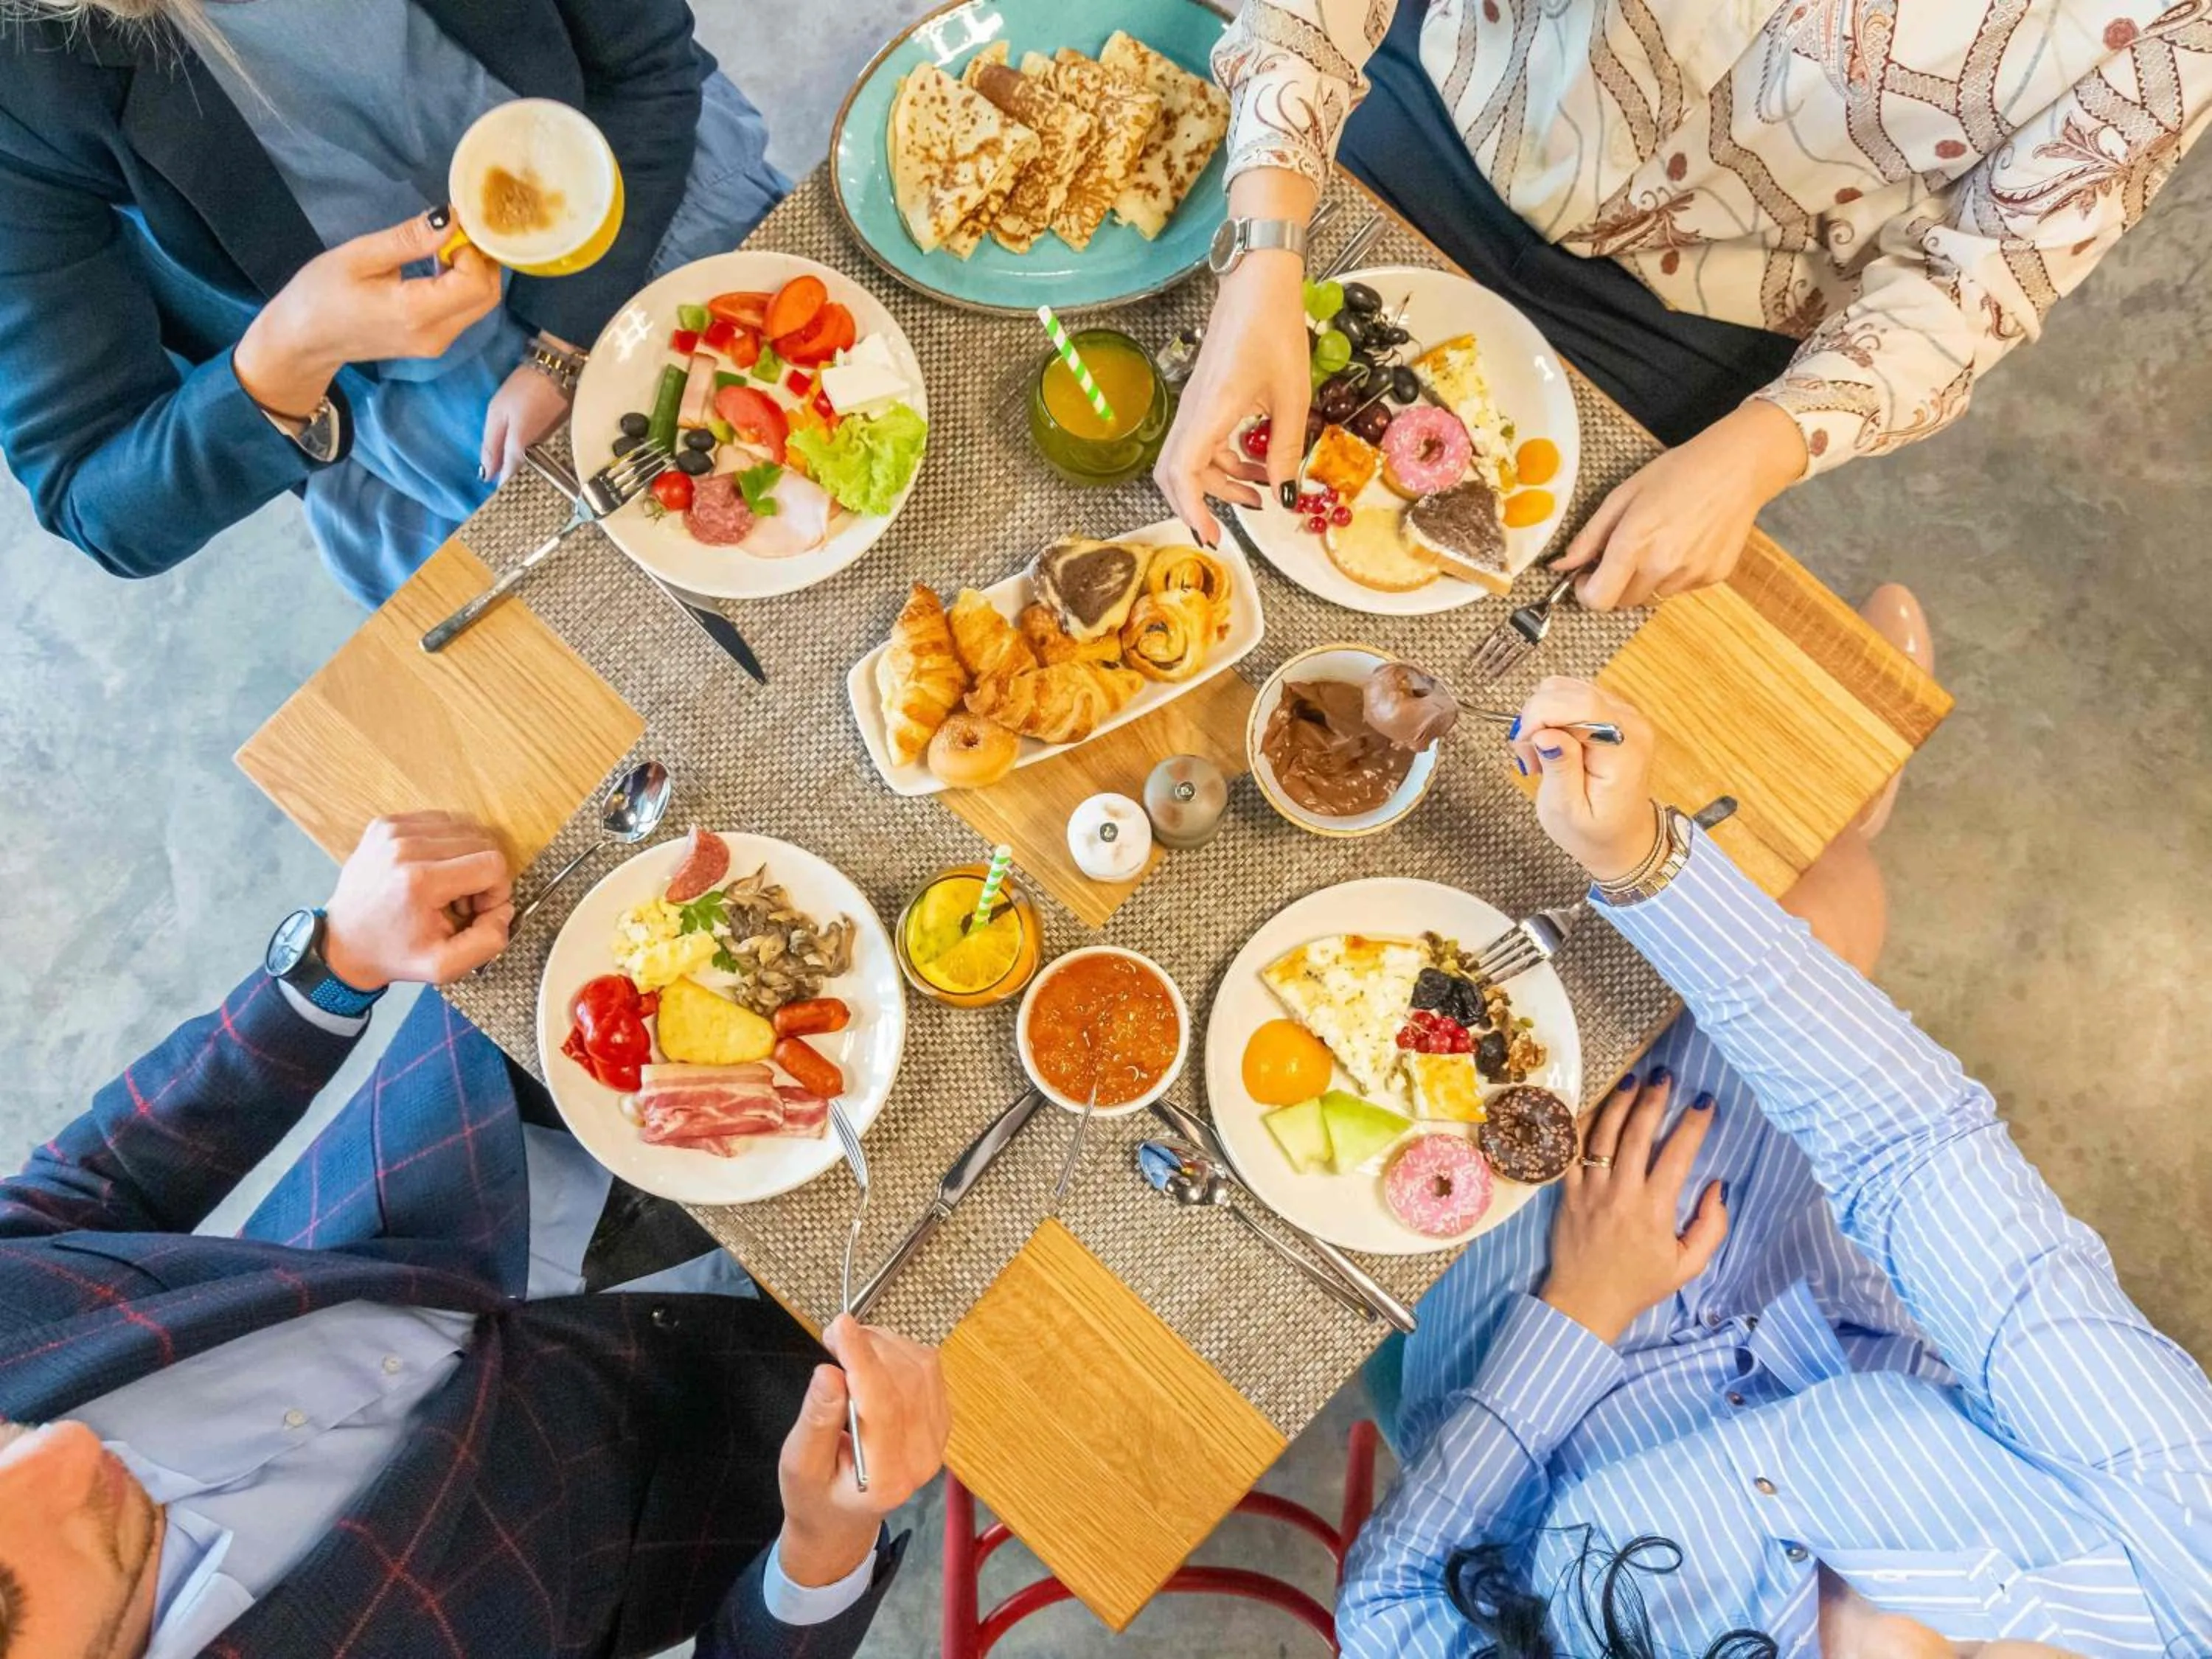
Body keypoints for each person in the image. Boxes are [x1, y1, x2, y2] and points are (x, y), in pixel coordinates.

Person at [1334, 678, 2212, 1658]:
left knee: (1431, 987)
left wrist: (1582, 1307)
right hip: (1799, 1309)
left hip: (1546, 1348)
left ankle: (1854, 764)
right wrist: (1642, 861)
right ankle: (1855, 783)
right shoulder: (2181, 1543)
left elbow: (1390, 1615)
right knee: (1828, 898)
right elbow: (1915, 1147)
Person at [0, 811, 946, 1659]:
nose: (68, 1442)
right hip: (737, 1411)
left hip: (475, 1125)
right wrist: (823, 1549)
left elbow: (80, 1196)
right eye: (87, 1527)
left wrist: (328, 970)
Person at [1161, 1, 2208, 609]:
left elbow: (1981, 279)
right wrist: (1264, 244)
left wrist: (1759, 450)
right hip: (1445, 111)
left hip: (1687, 322)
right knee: (1166, 443)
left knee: (1461, 642)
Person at [0, 0, 788, 605]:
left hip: (651, 190)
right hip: (448, 397)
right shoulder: (20, 76)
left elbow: (645, 63)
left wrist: (564, 345)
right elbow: (95, 500)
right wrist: (289, 356)